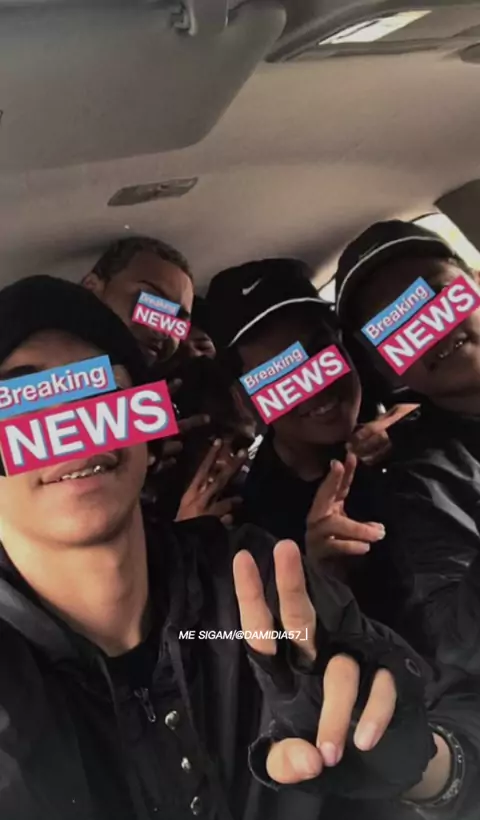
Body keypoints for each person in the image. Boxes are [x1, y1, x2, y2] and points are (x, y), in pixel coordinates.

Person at [0, 274, 471, 820]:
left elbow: (452, 717)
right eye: (20, 404)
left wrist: (422, 766)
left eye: (98, 393)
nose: (71, 427)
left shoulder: (261, 577)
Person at [206, 258, 409, 627]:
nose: (315, 387)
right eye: (278, 373)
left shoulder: (410, 416)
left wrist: (429, 429)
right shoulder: (251, 526)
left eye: (319, 355)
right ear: (245, 400)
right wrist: (321, 582)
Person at [335, 218, 480, 672]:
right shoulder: (421, 482)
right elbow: (458, 639)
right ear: (386, 365)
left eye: (439, 298)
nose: (431, 329)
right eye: (395, 326)